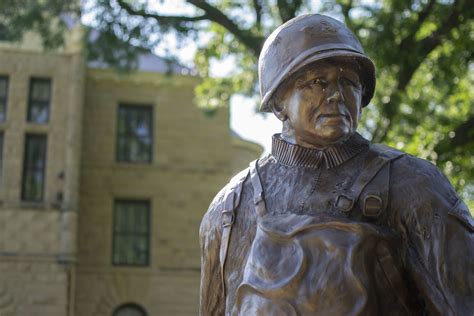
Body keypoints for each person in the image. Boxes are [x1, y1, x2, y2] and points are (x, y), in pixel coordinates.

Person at [199, 14, 473, 316]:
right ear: (279, 102)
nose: (335, 95)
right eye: (317, 82)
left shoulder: (413, 184)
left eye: (348, 82)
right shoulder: (230, 207)